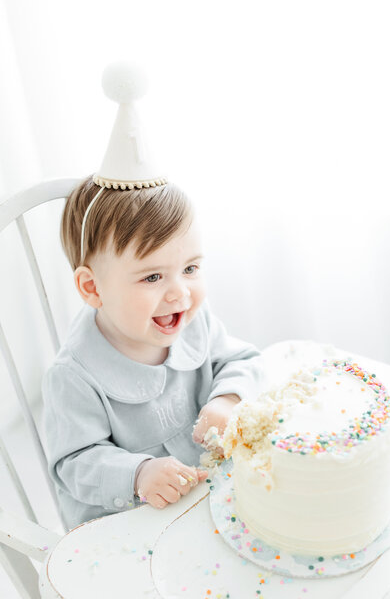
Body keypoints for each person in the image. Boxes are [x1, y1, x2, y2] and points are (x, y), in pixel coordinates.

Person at [42, 63, 266, 529]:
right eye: (151, 278)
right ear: (92, 288)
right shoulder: (74, 375)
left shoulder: (192, 319)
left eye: (190, 268)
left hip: (208, 494)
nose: (179, 292)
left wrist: (226, 399)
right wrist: (138, 473)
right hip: (130, 521)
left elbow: (240, 359)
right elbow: (75, 461)